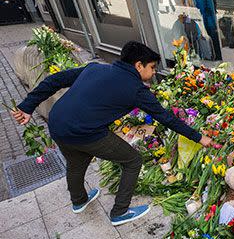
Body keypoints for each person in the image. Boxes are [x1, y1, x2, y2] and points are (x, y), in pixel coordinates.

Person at [11, 42, 213, 226]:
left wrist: (27, 106)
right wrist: (199, 137)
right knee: (132, 160)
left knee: (76, 161)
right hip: (85, 132)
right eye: (152, 68)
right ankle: (120, 211)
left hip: (58, 124)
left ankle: (79, 201)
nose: (153, 73)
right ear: (138, 65)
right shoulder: (136, 89)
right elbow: (166, 117)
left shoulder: (95, 67)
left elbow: (55, 80)